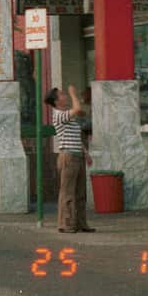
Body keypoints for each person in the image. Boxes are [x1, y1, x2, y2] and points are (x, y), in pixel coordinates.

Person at [46, 85, 95, 234]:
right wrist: (74, 93)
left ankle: (80, 223)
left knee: (80, 192)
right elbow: (77, 108)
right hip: (68, 156)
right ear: (56, 101)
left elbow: (76, 136)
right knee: (68, 192)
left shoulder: (69, 117)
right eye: (61, 95)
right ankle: (65, 223)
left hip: (77, 155)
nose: (65, 96)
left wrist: (85, 152)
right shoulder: (58, 115)